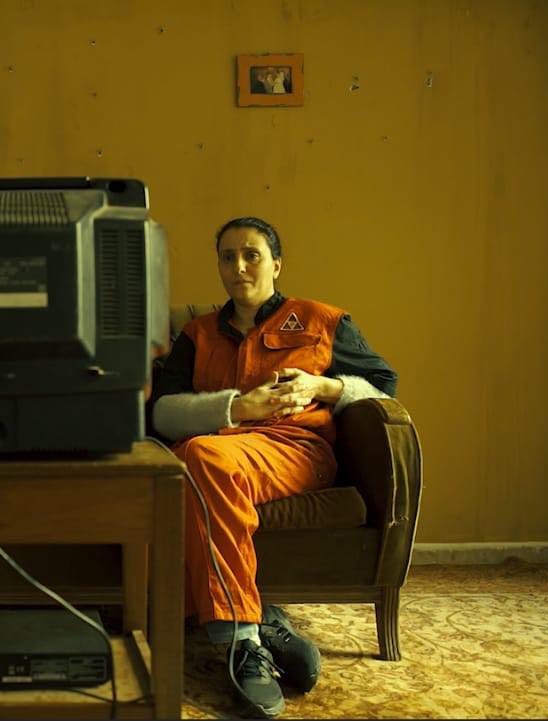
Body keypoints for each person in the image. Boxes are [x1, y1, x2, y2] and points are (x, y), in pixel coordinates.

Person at [147, 216, 397, 718]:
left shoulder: (322, 320)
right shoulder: (197, 334)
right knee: (189, 466)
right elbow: (161, 413)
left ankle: (239, 638)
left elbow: (383, 387)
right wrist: (238, 407)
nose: (238, 266)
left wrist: (323, 386)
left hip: (297, 449)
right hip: (217, 450)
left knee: (197, 459)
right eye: (227, 257)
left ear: (277, 264)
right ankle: (258, 623)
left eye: (252, 255)